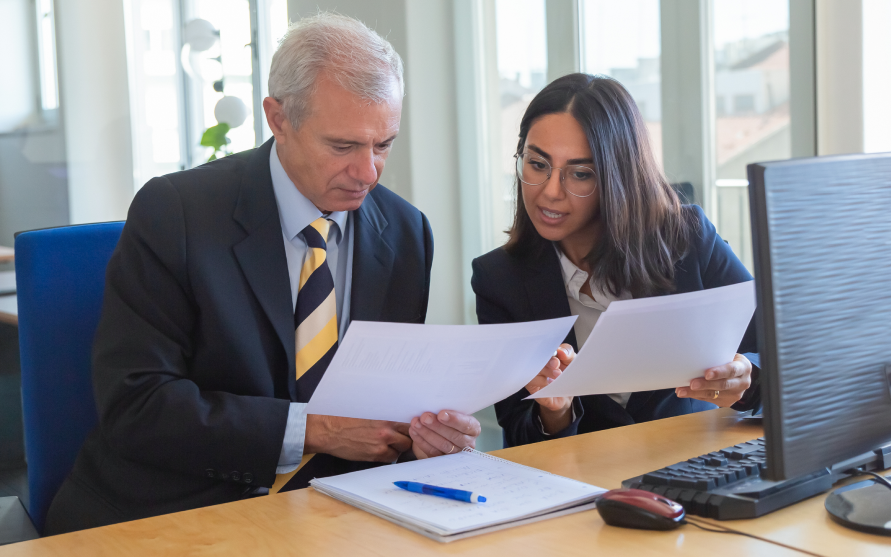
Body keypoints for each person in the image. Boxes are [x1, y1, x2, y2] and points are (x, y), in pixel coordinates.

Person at [45, 14, 478, 535]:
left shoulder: (405, 232)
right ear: (278, 118)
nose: (367, 172)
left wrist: (423, 435)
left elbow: (384, 399)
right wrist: (313, 431)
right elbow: (138, 406)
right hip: (177, 510)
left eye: (383, 144)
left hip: (334, 514)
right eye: (342, 146)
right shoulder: (177, 213)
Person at [471, 74, 760, 448]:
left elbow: (779, 353)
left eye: (580, 173)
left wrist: (746, 376)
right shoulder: (499, 278)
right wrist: (555, 412)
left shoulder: (688, 238)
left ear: (617, 176)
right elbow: (517, 431)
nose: (550, 192)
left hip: (695, 470)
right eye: (537, 164)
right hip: (581, 488)